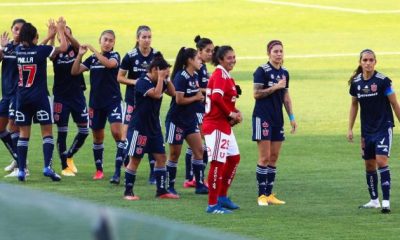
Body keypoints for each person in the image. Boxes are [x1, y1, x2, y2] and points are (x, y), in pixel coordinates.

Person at [15, 18, 68, 181]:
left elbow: (35, 47)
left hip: (22, 99)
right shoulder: (41, 51)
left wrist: (47, 36)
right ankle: (48, 167)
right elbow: (63, 48)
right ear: (33, 38)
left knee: (23, 134)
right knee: (47, 133)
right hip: (39, 98)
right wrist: (60, 30)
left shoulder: (18, 50)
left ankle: (22, 170)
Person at [348, 49, 400, 214]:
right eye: (365, 60)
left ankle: (385, 202)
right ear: (360, 62)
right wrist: (350, 128)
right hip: (367, 131)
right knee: (369, 164)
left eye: (371, 60)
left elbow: (394, 103)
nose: (368, 63)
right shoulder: (356, 83)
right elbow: (354, 105)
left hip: (384, 127)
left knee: (381, 161)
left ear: (375, 62)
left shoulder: (383, 81)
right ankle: (374, 200)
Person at [123, 52, 178, 200]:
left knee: (161, 156)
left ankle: (162, 191)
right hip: (139, 127)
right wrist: (161, 79)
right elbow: (156, 94)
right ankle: (128, 193)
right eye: (163, 71)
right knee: (135, 159)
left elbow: (173, 93)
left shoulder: (161, 80)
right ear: (154, 70)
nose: (165, 75)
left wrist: (167, 79)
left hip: (154, 127)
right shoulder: (142, 82)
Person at [71, 30, 124, 181]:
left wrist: (93, 50)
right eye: (105, 40)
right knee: (97, 137)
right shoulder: (92, 60)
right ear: (100, 40)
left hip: (112, 101)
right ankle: (99, 170)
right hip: (96, 103)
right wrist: (80, 55)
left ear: (114, 43)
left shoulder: (115, 56)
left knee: (116, 133)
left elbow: (108, 64)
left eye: (110, 41)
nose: (107, 43)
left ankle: (120, 163)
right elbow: (75, 71)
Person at [253, 40, 297, 206]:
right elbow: (256, 94)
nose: (278, 54)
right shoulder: (261, 71)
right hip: (262, 117)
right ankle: (261, 195)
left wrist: (292, 118)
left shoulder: (285, 73)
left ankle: (269, 194)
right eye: (275, 51)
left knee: (274, 157)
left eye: (281, 51)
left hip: (277, 119)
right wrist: (275, 87)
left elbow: (286, 96)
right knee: (264, 157)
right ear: (268, 53)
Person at [42, 22, 89, 177]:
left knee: (84, 130)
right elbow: (49, 53)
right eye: (61, 34)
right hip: (61, 97)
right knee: (62, 132)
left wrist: (65, 33)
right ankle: (64, 166)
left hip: (77, 96)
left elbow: (78, 45)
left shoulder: (76, 49)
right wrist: (54, 35)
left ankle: (69, 155)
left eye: (67, 33)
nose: (64, 35)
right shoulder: (57, 52)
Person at [203, 45, 242, 214]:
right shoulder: (219, 74)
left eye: (234, 57)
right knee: (218, 163)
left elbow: (226, 100)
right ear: (220, 60)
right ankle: (212, 204)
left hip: (223, 125)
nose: (233, 60)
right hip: (215, 125)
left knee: (234, 158)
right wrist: (230, 114)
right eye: (229, 58)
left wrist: (235, 111)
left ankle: (222, 196)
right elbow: (217, 98)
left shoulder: (226, 76)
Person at [117, 25, 157, 185]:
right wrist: (136, 82)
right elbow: (120, 77)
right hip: (132, 101)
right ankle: (117, 171)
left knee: (151, 133)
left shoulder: (156, 56)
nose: (147, 40)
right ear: (137, 38)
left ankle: (154, 173)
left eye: (149, 37)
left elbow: (161, 76)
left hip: (150, 104)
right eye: (144, 37)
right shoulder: (130, 56)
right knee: (125, 134)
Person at [165, 47, 208, 195]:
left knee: (199, 150)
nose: (200, 60)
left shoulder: (194, 76)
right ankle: (169, 186)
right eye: (198, 58)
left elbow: (194, 95)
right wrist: (196, 98)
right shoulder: (181, 77)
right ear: (190, 60)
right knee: (174, 155)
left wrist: (200, 98)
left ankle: (199, 184)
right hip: (176, 121)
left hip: (190, 121)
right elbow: (179, 99)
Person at [183, 35, 214, 188]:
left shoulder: (203, 66)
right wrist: (212, 90)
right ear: (199, 51)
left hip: (201, 107)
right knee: (201, 145)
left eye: (212, 51)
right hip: (197, 109)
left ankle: (192, 177)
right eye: (208, 51)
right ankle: (194, 177)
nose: (211, 54)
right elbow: (196, 88)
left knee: (195, 145)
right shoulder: (197, 66)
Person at [0, 19, 26, 177]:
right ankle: (18, 159)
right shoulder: (7, 46)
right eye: (15, 29)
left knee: (14, 127)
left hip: (18, 94)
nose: (18, 32)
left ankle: (22, 166)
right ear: (11, 29)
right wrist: (2, 47)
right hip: (6, 94)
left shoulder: (25, 48)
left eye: (21, 30)